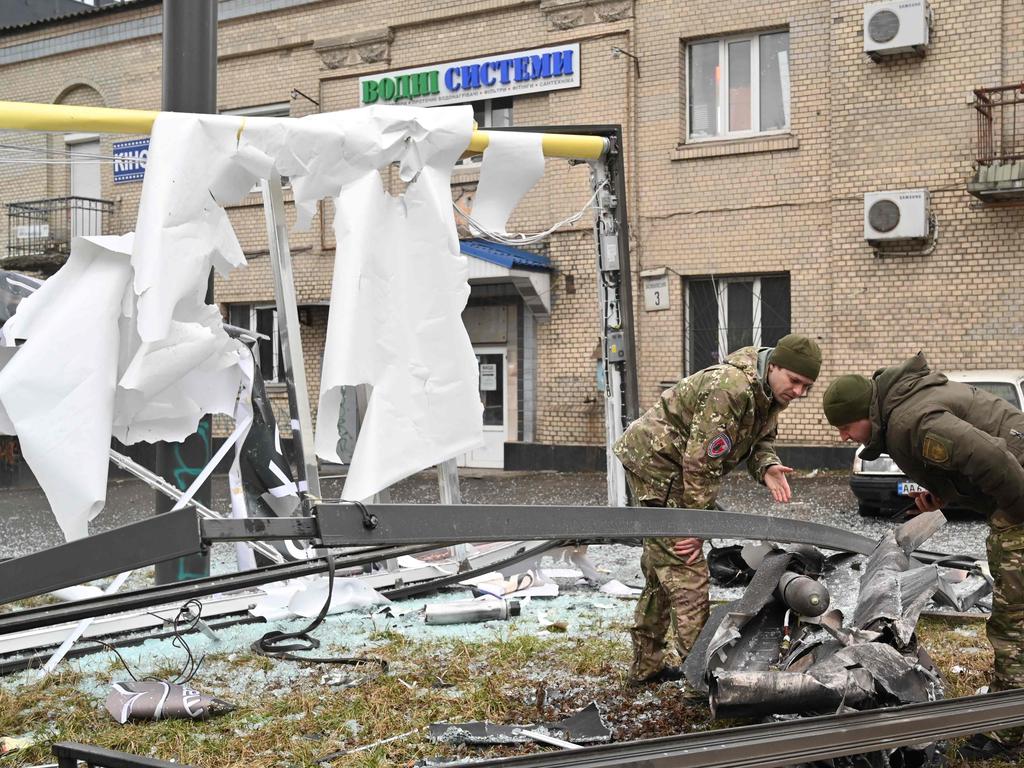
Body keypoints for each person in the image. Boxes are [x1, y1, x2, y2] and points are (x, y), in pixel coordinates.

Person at [823, 352, 1024, 760]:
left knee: (1013, 619)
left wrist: (1017, 517)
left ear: (865, 413)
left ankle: (1010, 727)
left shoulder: (910, 422)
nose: (844, 436)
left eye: (845, 426)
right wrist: (941, 498)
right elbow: (963, 463)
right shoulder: (901, 409)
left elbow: (993, 459)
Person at [614, 333, 821, 684]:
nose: (799, 392)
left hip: (678, 465)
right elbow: (700, 464)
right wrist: (695, 527)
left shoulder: (769, 393)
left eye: (807, 387)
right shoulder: (731, 387)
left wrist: (767, 466)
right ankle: (702, 680)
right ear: (774, 366)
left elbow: (761, 440)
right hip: (660, 464)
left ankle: (645, 667)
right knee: (686, 570)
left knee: (659, 568)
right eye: (795, 381)